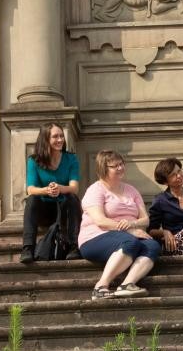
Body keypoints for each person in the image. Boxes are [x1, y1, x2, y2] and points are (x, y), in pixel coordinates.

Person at [78, 150, 161, 298]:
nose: (120, 168)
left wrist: (131, 223)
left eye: (121, 164)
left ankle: (127, 285)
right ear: (103, 168)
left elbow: (145, 219)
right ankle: (101, 286)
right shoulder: (95, 190)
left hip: (127, 236)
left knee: (152, 245)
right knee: (130, 242)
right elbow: (100, 221)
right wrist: (130, 230)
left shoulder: (131, 190)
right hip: (95, 237)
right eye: (114, 166)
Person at [21, 123, 82, 264]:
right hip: (44, 211)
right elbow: (30, 189)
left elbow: (74, 188)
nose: (60, 140)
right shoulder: (34, 160)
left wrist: (60, 188)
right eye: (55, 136)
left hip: (64, 210)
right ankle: (28, 248)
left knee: (72, 198)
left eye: (61, 136)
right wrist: (46, 190)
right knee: (31, 200)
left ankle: (74, 247)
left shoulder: (71, 159)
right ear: (45, 139)